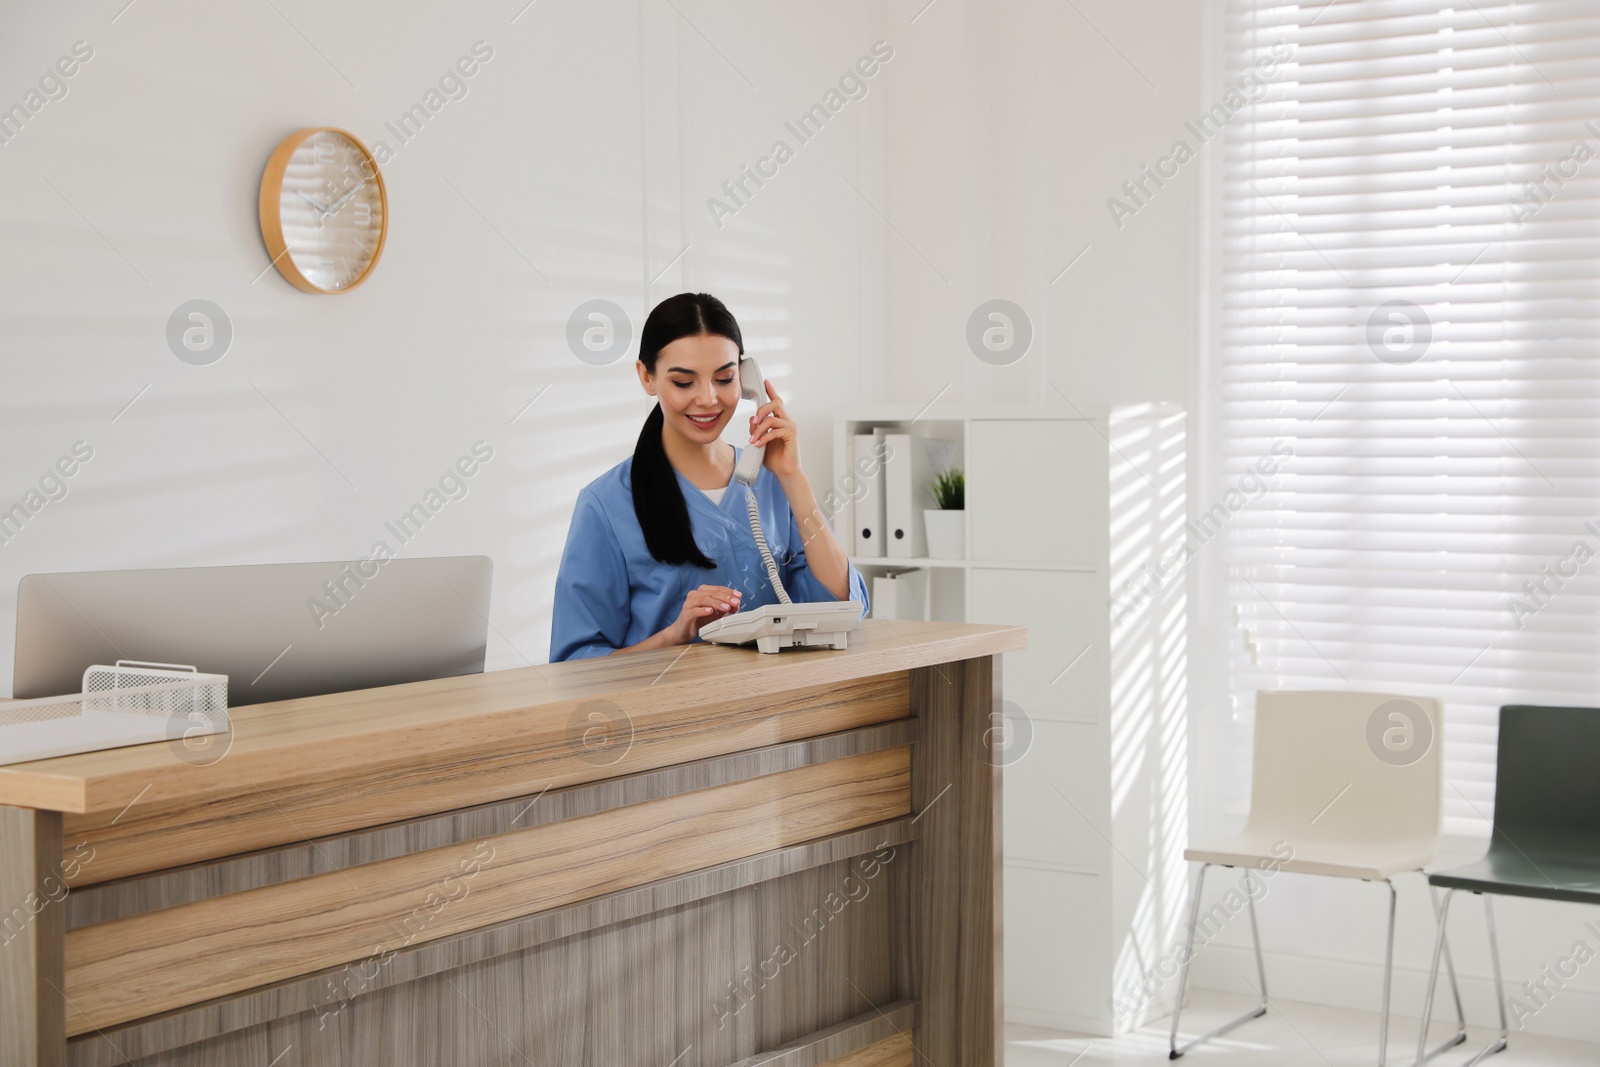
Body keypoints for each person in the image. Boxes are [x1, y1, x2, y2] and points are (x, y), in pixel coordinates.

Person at [549, 292, 869, 661]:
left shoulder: (771, 483)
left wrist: (793, 476)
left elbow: (844, 606)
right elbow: (574, 665)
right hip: (670, 713)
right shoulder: (606, 504)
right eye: (684, 383)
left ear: (747, 379)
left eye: (725, 379)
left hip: (775, 707)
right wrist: (675, 635)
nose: (708, 399)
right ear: (646, 377)